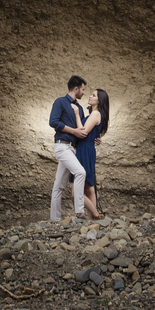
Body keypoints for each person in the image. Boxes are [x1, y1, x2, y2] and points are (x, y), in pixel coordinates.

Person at [49, 75, 88, 221]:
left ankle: (55, 219)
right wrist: (73, 131)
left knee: (59, 185)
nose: (84, 93)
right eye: (83, 89)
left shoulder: (80, 108)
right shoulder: (60, 102)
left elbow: (82, 129)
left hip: (73, 149)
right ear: (76, 89)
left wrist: (94, 138)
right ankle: (79, 211)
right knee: (80, 172)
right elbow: (53, 122)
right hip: (62, 147)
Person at [74, 88, 109, 219]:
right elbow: (93, 133)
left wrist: (77, 115)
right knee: (89, 188)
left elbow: (83, 132)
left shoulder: (95, 114)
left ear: (99, 101)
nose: (90, 96)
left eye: (93, 95)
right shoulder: (96, 114)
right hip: (88, 149)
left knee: (75, 191)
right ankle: (92, 219)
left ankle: (95, 214)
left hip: (84, 149)